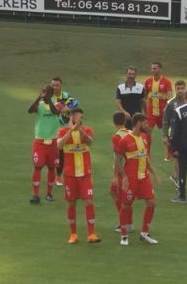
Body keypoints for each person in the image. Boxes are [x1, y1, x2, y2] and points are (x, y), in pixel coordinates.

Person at [56, 108, 100, 244]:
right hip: (70, 175)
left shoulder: (86, 130)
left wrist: (79, 130)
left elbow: (90, 142)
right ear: (70, 117)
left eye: (80, 117)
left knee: (89, 201)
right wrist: (70, 130)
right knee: (71, 204)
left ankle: (91, 234)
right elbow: (58, 146)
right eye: (75, 116)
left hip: (85, 174)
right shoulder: (62, 131)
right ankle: (73, 234)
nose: (78, 119)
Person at [114, 113, 159, 246]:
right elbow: (118, 160)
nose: (147, 125)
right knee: (126, 205)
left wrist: (154, 173)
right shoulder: (125, 140)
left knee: (151, 203)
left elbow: (145, 157)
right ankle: (124, 235)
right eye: (145, 123)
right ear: (138, 123)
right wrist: (125, 177)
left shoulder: (145, 137)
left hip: (143, 178)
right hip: (131, 179)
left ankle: (144, 234)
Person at [27, 83, 60, 204]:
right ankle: (35, 194)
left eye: (47, 92)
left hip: (52, 142)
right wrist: (38, 97)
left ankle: (49, 193)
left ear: (51, 94)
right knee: (37, 166)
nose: (45, 94)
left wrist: (48, 100)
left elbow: (56, 112)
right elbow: (30, 110)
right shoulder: (39, 105)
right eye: (43, 91)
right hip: (40, 141)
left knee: (52, 167)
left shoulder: (57, 103)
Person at [49, 77, 79, 187]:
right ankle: (53, 175)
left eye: (57, 85)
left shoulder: (66, 96)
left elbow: (74, 106)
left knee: (61, 152)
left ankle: (58, 176)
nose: (54, 87)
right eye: (53, 85)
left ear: (61, 85)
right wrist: (61, 108)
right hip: (51, 128)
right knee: (51, 153)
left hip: (64, 128)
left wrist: (60, 109)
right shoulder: (48, 97)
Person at [161, 80, 187, 189]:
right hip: (175, 135)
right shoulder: (171, 103)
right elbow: (165, 120)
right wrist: (164, 135)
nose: (180, 90)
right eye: (178, 88)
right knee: (177, 157)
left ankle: (177, 176)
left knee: (184, 158)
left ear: (185, 89)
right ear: (175, 90)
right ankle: (178, 179)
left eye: (182, 88)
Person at [109, 111, 133, 234]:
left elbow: (118, 157)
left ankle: (126, 223)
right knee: (116, 193)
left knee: (121, 196)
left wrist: (115, 175)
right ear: (125, 121)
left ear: (114, 122)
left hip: (122, 170)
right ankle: (126, 222)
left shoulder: (116, 137)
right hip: (132, 168)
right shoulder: (130, 133)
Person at [144, 62, 173, 131]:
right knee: (147, 130)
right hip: (151, 111)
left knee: (166, 131)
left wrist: (167, 108)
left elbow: (170, 97)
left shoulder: (166, 82)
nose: (152, 70)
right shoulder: (148, 81)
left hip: (163, 111)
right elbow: (144, 95)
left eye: (154, 69)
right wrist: (145, 107)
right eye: (151, 69)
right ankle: (146, 141)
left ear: (160, 69)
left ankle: (170, 141)